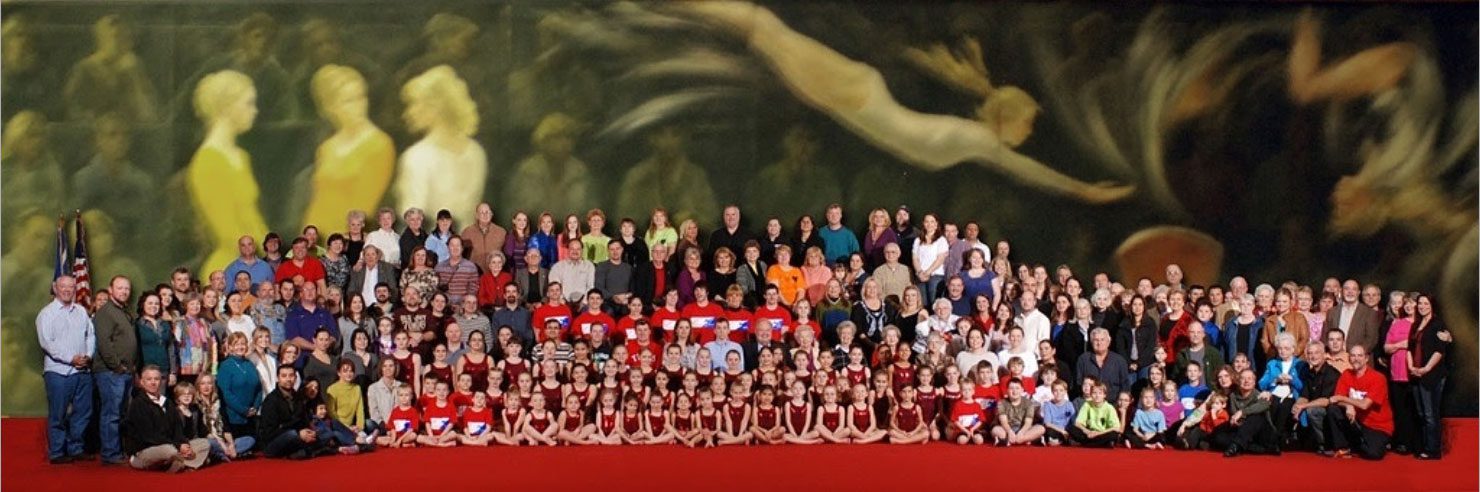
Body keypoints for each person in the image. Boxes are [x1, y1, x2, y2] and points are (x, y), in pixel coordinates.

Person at [37, 276, 95, 464]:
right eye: (63, 286)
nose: (67, 290)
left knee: (83, 412)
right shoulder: (46, 314)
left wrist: (87, 355)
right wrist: (71, 358)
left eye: (71, 286)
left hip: (82, 372)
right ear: (55, 288)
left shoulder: (81, 311)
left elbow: (90, 335)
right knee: (58, 413)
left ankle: (75, 448)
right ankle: (57, 452)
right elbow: (47, 343)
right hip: (58, 372)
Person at [125, 366, 209, 472]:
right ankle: (186, 463)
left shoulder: (167, 402)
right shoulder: (138, 404)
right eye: (149, 379)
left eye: (156, 379)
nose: (153, 382)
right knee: (170, 451)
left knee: (204, 443)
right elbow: (149, 436)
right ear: (142, 382)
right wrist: (178, 446)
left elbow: (177, 428)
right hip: (146, 449)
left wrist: (183, 444)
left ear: (161, 381)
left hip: (171, 444)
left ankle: (177, 464)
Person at [92, 275, 136, 465]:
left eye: (127, 288)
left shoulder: (123, 311)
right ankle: (110, 454)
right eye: (120, 288)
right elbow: (104, 343)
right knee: (111, 414)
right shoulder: (105, 312)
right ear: (110, 290)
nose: (124, 291)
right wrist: (116, 365)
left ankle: (117, 450)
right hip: (111, 372)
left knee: (121, 413)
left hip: (125, 371)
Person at [1328, 345, 1393, 460]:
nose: (1356, 359)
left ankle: (1360, 445)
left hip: (1377, 425)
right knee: (1333, 409)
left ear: (1366, 358)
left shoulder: (1378, 378)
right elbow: (1336, 399)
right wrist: (1348, 405)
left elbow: (1364, 405)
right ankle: (1343, 447)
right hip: (1356, 421)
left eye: (1359, 355)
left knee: (1373, 454)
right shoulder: (1346, 374)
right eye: (1353, 355)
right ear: (1349, 358)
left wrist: (1347, 401)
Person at [1406, 294, 1450, 460]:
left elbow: (1439, 351)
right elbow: (1409, 348)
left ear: (1432, 305)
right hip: (1416, 373)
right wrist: (1411, 367)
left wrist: (1426, 369)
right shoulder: (1416, 324)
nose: (1422, 306)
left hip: (1432, 375)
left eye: (1426, 303)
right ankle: (1424, 446)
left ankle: (1433, 450)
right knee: (1421, 413)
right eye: (1420, 303)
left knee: (1430, 414)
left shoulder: (1437, 324)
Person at [258, 365, 321, 459]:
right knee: (292, 435)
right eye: (284, 376)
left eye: (291, 375)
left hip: (296, 436)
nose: (288, 379)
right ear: (277, 378)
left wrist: (309, 432)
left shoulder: (298, 397)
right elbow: (269, 431)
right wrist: (298, 433)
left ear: (295, 378)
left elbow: (303, 420)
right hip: (274, 442)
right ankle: (303, 450)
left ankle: (299, 451)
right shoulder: (271, 400)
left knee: (321, 433)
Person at [1224, 368, 1278, 457]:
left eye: (1249, 378)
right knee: (1219, 435)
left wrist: (1242, 412)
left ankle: (1235, 446)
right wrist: (1234, 421)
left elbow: (1263, 406)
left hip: (1262, 433)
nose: (1246, 381)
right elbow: (1234, 414)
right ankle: (1257, 448)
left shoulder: (1261, 395)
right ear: (1238, 381)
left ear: (1254, 382)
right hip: (1243, 431)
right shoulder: (1233, 396)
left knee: (1255, 417)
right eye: (1243, 378)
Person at [1325, 279, 1380, 354]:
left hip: (1359, 360)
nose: (1350, 292)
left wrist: (1355, 354)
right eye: (1347, 288)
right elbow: (1326, 335)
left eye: (1354, 289)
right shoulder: (1332, 312)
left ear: (1358, 293)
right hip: (1334, 358)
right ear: (1341, 291)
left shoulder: (1369, 313)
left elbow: (1371, 340)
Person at [1077, 328, 1129, 399]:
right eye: (1096, 340)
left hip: (1113, 404)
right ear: (1092, 342)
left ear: (1108, 342)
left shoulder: (1119, 361)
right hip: (1090, 403)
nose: (1099, 343)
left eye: (1102, 339)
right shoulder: (1083, 359)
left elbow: (1125, 386)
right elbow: (1078, 383)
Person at [1069, 381, 1120, 447]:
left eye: (1100, 393)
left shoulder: (1109, 408)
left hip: (1102, 433)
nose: (1097, 396)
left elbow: (1116, 427)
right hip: (1089, 432)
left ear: (1104, 395)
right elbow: (1078, 423)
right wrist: (1088, 432)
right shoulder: (1087, 404)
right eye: (1094, 393)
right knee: (1072, 429)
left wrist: (1098, 433)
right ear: (1091, 394)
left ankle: (1086, 444)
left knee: (1114, 435)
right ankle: (1100, 444)